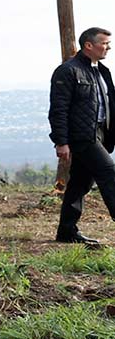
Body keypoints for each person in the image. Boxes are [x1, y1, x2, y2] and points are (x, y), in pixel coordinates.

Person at [49, 27, 115, 245]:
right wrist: (61, 141)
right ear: (89, 45)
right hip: (82, 136)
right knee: (109, 173)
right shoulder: (67, 71)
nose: (109, 47)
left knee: (80, 183)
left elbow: (109, 105)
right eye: (104, 43)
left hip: (100, 134)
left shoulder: (103, 71)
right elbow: (58, 109)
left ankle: (66, 232)